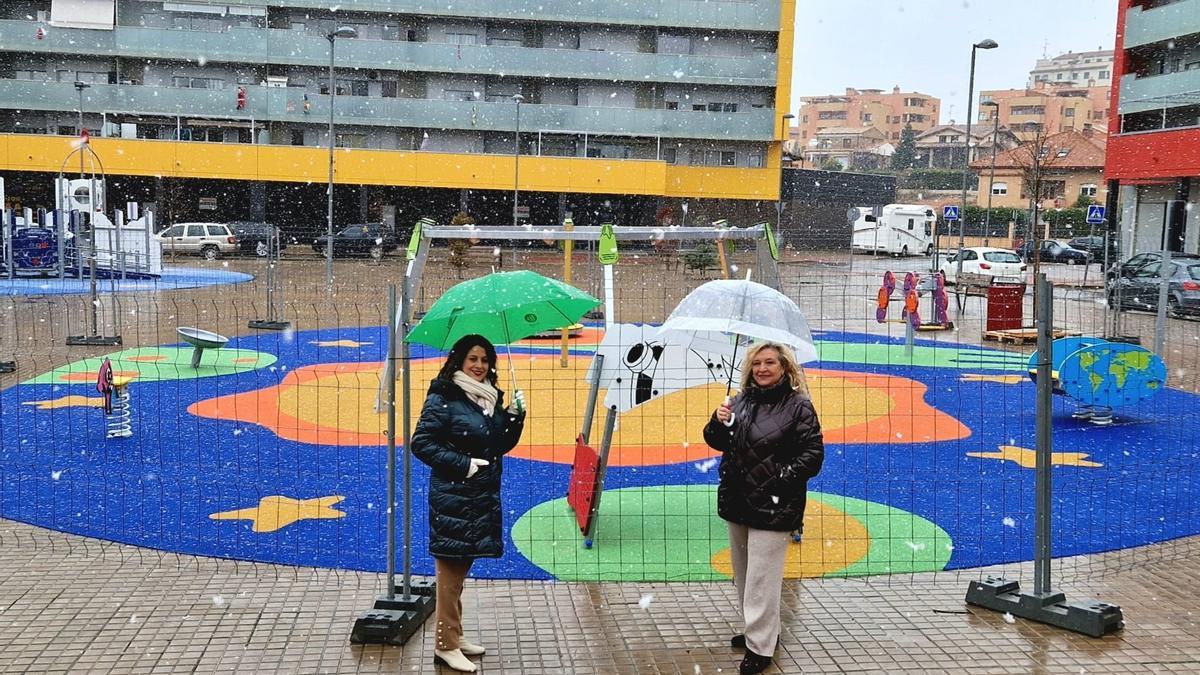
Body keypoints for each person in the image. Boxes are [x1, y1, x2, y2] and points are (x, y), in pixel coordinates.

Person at [703, 342, 824, 675]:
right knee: (744, 575)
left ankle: (760, 647)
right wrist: (718, 421)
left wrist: (781, 478)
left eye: (770, 362)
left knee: (761, 578)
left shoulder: (798, 406)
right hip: (739, 498)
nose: (762, 369)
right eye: (757, 363)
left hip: (775, 503)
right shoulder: (740, 401)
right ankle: (762, 630)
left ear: (784, 367)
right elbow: (719, 441)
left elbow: (812, 455)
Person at [411, 334, 526, 673]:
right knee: (450, 574)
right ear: (460, 361)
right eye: (473, 359)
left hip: (478, 497)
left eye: (485, 360)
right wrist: (463, 464)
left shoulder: (487, 399)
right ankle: (445, 645)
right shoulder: (444, 396)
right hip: (454, 497)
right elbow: (422, 443)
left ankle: (454, 635)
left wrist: (515, 417)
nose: (479, 366)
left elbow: (498, 444)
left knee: (459, 573)